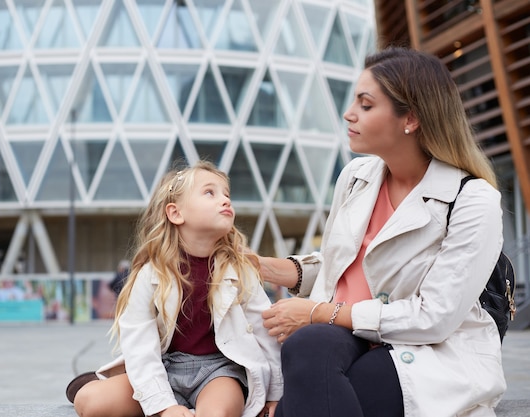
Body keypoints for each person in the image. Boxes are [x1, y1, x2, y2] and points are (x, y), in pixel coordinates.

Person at [258, 46, 506, 417]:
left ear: (411, 119)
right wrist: (269, 267)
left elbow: (432, 318)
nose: (349, 113)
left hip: (422, 351)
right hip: (341, 336)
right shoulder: (356, 177)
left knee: (333, 378)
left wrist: (317, 312)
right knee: (308, 348)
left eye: (366, 104)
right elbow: (349, 262)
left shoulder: (473, 200)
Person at [67, 161, 283, 417]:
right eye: (209, 193)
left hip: (220, 371)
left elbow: (266, 330)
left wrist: (274, 392)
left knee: (218, 414)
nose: (225, 200)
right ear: (175, 213)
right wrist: (164, 407)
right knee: (89, 402)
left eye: (227, 194)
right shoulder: (151, 273)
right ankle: (99, 380)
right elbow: (140, 343)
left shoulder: (240, 270)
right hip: (165, 367)